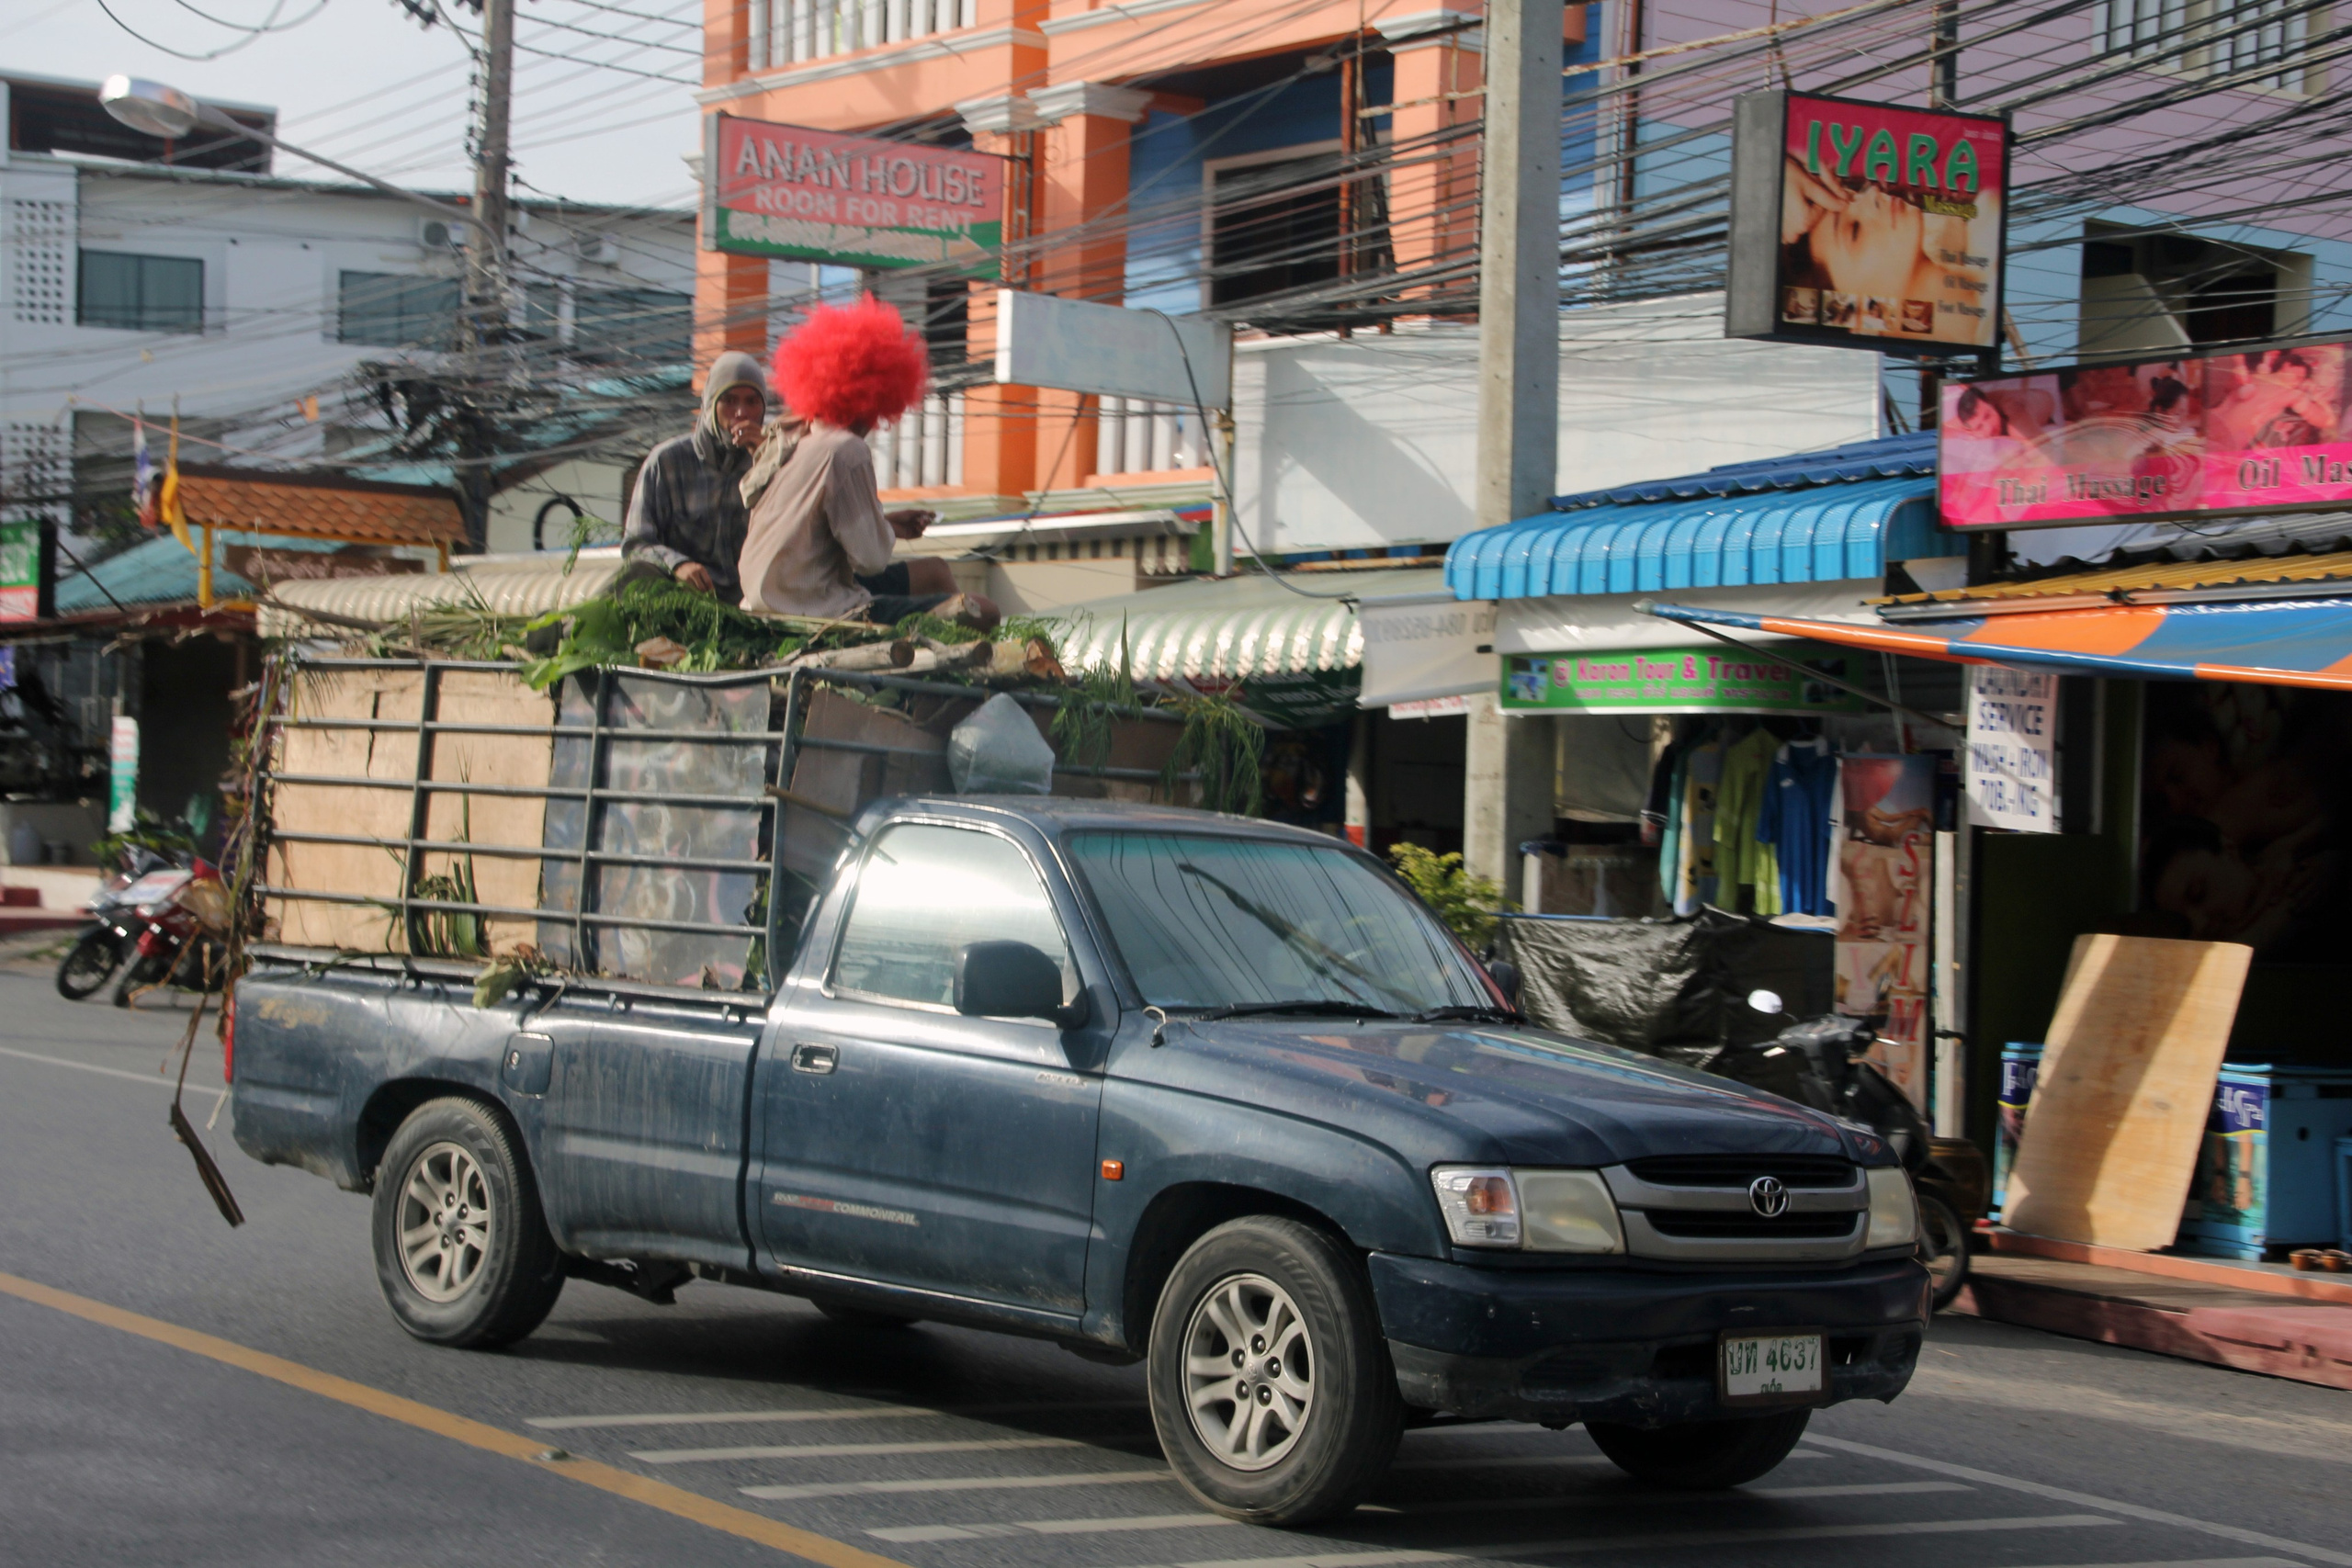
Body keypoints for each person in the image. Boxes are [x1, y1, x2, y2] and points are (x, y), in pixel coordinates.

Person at [738, 297, 1000, 629]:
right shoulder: (847, 451)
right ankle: (963, 662)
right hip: (816, 612)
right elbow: (871, 560)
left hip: (766, 601)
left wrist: (887, 524)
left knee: (935, 571)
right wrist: (885, 529)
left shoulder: (798, 442)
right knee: (984, 609)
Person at [621, 349, 768, 604]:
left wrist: (767, 462)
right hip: (679, 602)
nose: (741, 413)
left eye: (752, 402)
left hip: (751, 610)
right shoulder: (666, 462)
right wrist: (678, 565)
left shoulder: (775, 465)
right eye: (730, 400)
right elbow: (636, 545)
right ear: (710, 405)